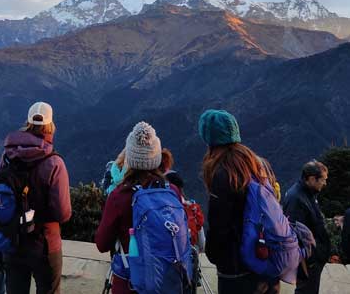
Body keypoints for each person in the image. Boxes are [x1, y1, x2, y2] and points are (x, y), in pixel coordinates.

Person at [95, 121, 189, 294]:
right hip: (167, 282)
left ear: (129, 158)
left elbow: (102, 243)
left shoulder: (119, 196)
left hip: (130, 283)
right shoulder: (172, 191)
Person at [199, 109, 280, 294]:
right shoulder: (258, 164)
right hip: (266, 262)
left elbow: (219, 228)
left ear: (209, 140)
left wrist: (213, 255)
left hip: (236, 271)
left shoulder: (223, 174)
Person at [1, 101, 71, 294]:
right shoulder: (54, 163)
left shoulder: (8, 156)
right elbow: (63, 213)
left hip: (12, 240)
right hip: (45, 243)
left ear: (27, 123)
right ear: (51, 126)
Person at [283, 160, 331, 294]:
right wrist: (313, 258)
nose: (325, 183)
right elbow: (295, 234)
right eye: (323, 180)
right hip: (308, 261)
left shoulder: (307, 193)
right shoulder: (296, 199)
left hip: (313, 259)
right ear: (311, 179)